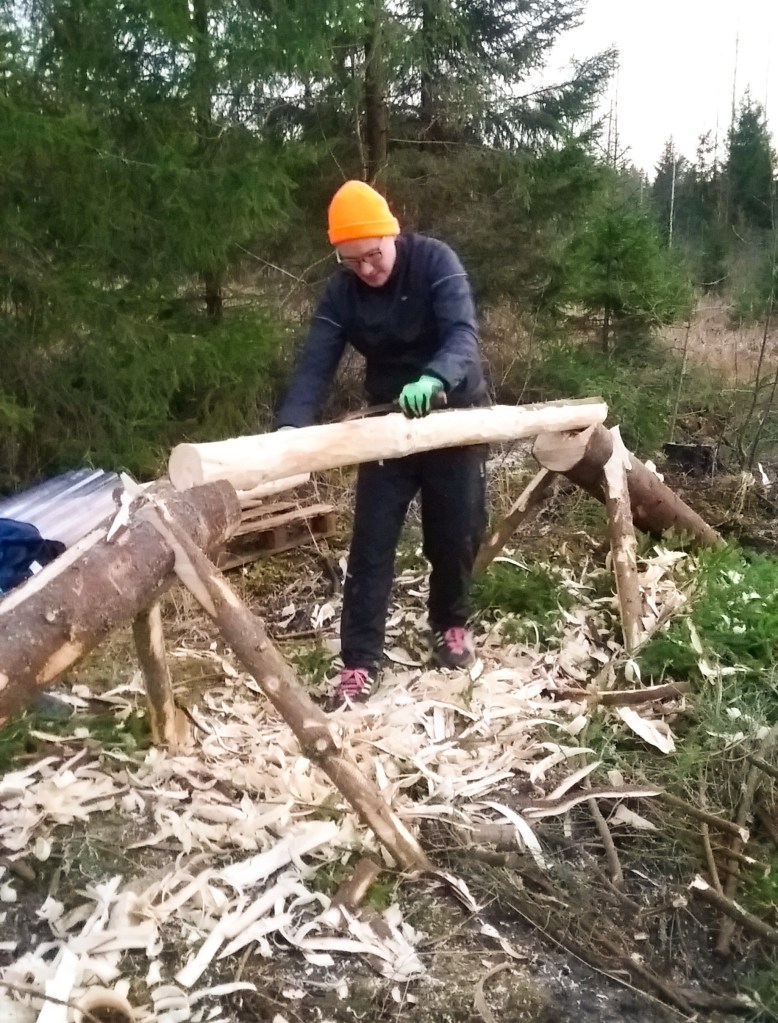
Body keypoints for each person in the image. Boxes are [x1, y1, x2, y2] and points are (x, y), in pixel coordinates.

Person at [276, 180, 490, 706]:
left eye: (373, 255)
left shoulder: (435, 261)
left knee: (455, 531)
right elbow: (316, 362)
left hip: (454, 414)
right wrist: (290, 428)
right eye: (353, 261)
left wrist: (436, 377)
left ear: (391, 235)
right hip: (388, 422)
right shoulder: (343, 293)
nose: (367, 269)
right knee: (371, 544)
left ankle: (450, 623)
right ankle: (359, 660)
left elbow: (462, 334)